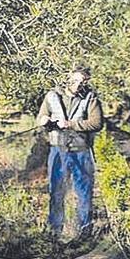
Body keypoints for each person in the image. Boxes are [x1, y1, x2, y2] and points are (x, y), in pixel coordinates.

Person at [36, 66, 103, 239]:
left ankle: (84, 233)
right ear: (68, 78)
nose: (78, 84)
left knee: (84, 193)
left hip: (82, 151)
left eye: (83, 82)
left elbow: (97, 123)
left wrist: (71, 124)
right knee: (56, 191)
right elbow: (41, 117)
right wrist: (45, 120)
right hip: (57, 152)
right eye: (76, 80)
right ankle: (54, 232)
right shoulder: (52, 95)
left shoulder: (91, 98)